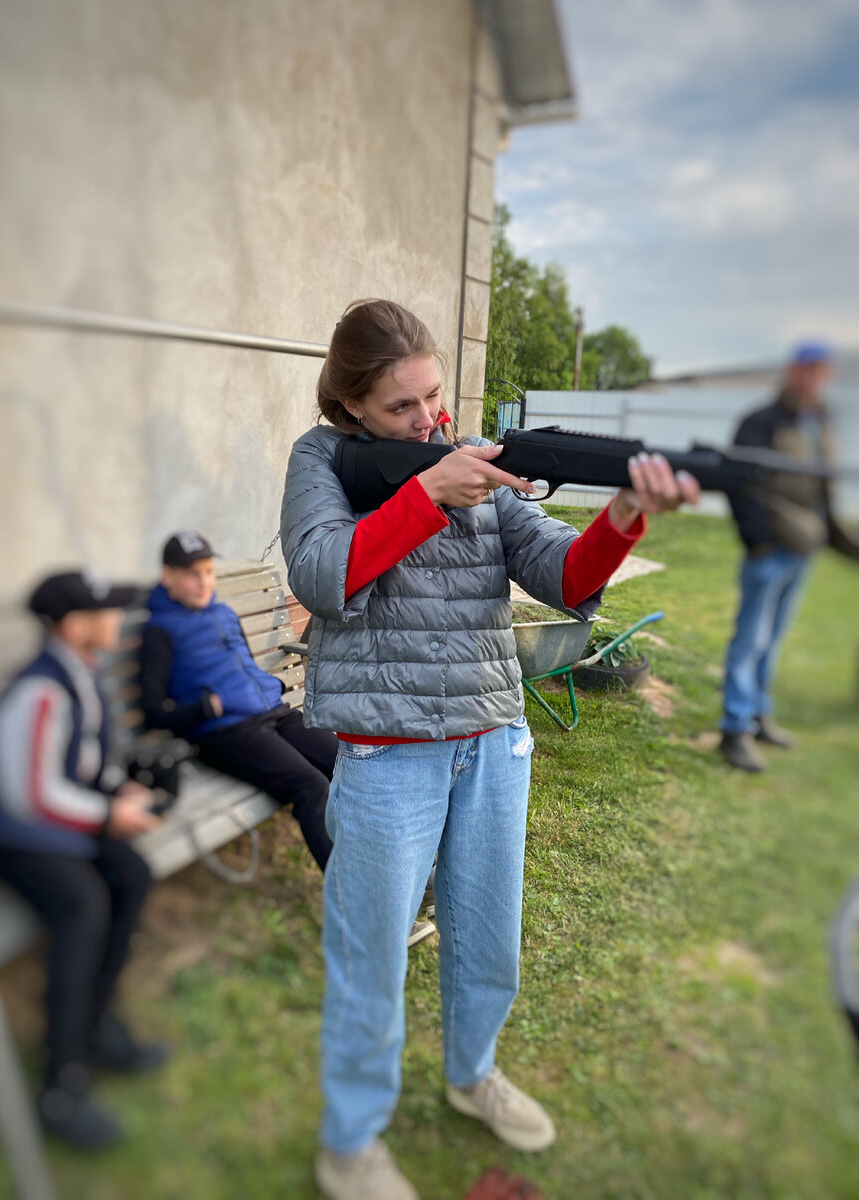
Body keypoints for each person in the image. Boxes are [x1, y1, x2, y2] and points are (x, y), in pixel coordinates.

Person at [280, 299, 700, 1200]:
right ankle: (351, 1142)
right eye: (400, 409)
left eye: (433, 396)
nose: (428, 420)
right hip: (388, 753)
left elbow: (564, 575)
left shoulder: (473, 457)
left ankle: (473, 1076)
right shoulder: (322, 459)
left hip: (493, 741)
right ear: (352, 407)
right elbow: (320, 572)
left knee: (488, 943)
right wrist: (426, 495)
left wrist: (625, 512)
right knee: (372, 957)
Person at [0, 571, 167, 1150]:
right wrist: (106, 816)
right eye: (105, 613)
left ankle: (97, 1021)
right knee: (83, 903)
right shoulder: (41, 691)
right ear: (75, 627)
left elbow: (85, 761)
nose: (116, 621)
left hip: (50, 816)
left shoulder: (84, 674)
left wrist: (116, 791)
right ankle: (61, 1083)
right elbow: (31, 793)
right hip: (8, 832)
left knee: (132, 872)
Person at [139, 531, 337, 874]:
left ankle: (390, 870)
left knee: (346, 764)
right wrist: (201, 709)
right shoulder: (160, 631)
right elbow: (152, 713)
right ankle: (351, 902)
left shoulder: (223, 614)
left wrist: (265, 684)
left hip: (273, 714)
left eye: (208, 571)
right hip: (228, 730)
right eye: (191, 573)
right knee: (311, 786)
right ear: (167, 576)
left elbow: (243, 665)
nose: (203, 582)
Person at [720, 342, 859, 771]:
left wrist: (843, 544)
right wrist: (759, 542)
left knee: (774, 637)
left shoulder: (820, 422)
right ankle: (735, 729)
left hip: (802, 550)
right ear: (793, 371)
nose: (814, 380)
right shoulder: (762, 422)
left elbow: (822, 493)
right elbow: (739, 484)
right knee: (750, 639)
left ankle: (759, 715)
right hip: (770, 551)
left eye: (822, 372)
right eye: (808, 370)